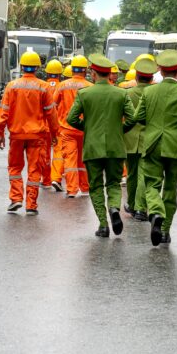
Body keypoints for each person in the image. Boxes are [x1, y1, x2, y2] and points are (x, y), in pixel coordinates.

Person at [125, 49, 177, 246]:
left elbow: (138, 117)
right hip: (176, 146)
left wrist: (152, 125)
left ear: (160, 71)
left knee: (151, 184)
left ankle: (156, 212)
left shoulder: (149, 91)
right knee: (171, 187)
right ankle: (165, 230)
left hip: (152, 145)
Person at [66, 54, 132, 238]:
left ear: (93, 74)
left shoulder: (84, 94)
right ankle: (114, 208)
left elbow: (71, 118)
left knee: (95, 186)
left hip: (93, 147)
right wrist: (120, 130)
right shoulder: (121, 93)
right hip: (115, 147)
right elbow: (133, 118)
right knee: (113, 183)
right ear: (109, 74)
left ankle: (103, 225)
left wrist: (87, 128)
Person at [0, 50, 56, 215]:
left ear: (22, 67)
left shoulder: (12, 86)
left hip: (16, 135)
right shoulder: (43, 87)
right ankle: (31, 205)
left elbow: (3, 112)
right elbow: (51, 114)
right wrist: (55, 134)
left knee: (15, 168)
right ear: (37, 67)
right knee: (34, 170)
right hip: (37, 136)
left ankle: (16, 198)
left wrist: (0, 133)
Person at [122, 57, 157, 221]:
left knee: (131, 174)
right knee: (144, 174)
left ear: (136, 77)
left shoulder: (127, 93)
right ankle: (141, 208)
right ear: (152, 78)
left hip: (129, 138)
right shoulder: (155, 93)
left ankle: (132, 204)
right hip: (149, 139)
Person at [54, 56, 92, 198]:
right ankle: (85, 188)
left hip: (66, 129)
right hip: (84, 129)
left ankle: (71, 189)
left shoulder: (62, 85)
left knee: (70, 159)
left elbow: (53, 105)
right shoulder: (90, 86)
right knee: (83, 159)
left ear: (72, 69)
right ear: (85, 70)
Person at [42, 59, 65, 193]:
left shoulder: (42, 86)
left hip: (43, 125)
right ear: (60, 74)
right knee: (58, 152)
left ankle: (45, 180)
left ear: (47, 73)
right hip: (59, 124)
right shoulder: (62, 86)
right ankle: (55, 177)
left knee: (45, 154)